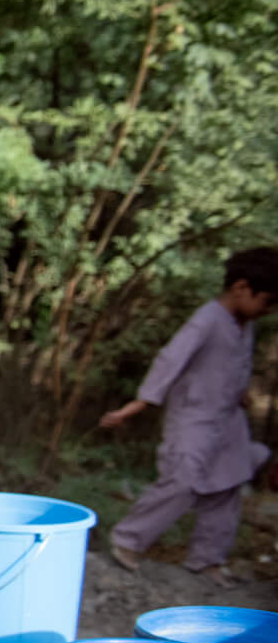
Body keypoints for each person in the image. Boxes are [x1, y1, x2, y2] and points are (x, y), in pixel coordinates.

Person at [102, 247, 278, 585]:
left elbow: (236, 363)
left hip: (228, 419)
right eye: (266, 301)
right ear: (242, 288)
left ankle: (208, 559)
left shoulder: (245, 324)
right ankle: (128, 539)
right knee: (182, 481)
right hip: (193, 417)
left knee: (228, 484)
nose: (267, 311)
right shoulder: (206, 319)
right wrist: (140, 403)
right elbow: (171, 360)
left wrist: (240, 391)